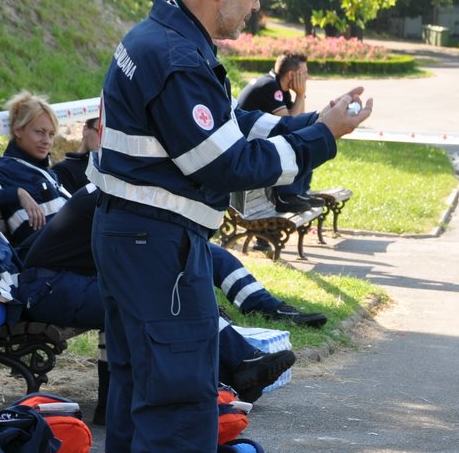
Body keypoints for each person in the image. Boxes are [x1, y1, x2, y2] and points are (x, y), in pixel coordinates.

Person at [90, 0, 372, 453]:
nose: (255, 10)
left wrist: (313, 125)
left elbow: (227, 131)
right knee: (180, 404)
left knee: (133, 397)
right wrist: (325, 141)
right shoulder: (179, 58)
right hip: (160, 249)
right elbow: (223, 166)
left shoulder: (158, 40)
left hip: (131, 241)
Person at [22, 184, 298, 411]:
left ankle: (237, 369)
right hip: (50, 288)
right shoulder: (121, 194)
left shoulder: (123, 187)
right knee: (159, 300)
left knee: (167, 295)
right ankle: (238, 368)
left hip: (67, 281)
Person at [49, 117, 327, 329]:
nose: (105, 135)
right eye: (99, 129)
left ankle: (264, 306)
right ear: (85, 131)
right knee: (185, 270)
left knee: (211, 255)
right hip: (94, 249)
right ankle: (238, 323)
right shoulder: (69, 170)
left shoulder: (110, 164)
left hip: (113, 240)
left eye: (50, 133)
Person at [0, 92, 70, 250]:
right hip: (46, 258)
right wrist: (18, 194)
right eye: (39, 132)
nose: (47, 141)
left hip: (70, 250)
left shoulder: (49, 175)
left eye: (51, 134)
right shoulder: (5, 171)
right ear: (18, 131)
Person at [235, 54, 319, 213]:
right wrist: (301, 95)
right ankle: (286, 196)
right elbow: (289, 125)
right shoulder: (270, 86)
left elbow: (299, 120)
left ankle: (300, 192)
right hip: (244, 145)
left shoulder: (279, 86)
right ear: (291, 75)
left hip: (254, 140)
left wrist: (299, 96)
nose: (307, 76)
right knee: (295, 145)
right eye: (304, 72)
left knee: (306, 139)